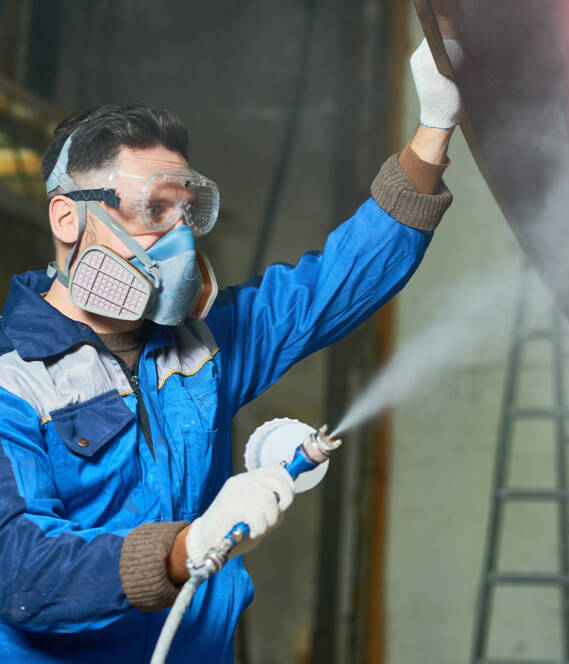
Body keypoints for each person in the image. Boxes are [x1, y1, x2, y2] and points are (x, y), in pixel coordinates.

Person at [0, 39, 460, 662]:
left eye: (187, 214)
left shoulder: (201, 348)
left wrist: (434, 128)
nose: (180, 243)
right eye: (153, 211)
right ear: (66, 219)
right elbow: (20, 565)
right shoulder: (14, 382)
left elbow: (333, 285)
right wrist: (183, 549)